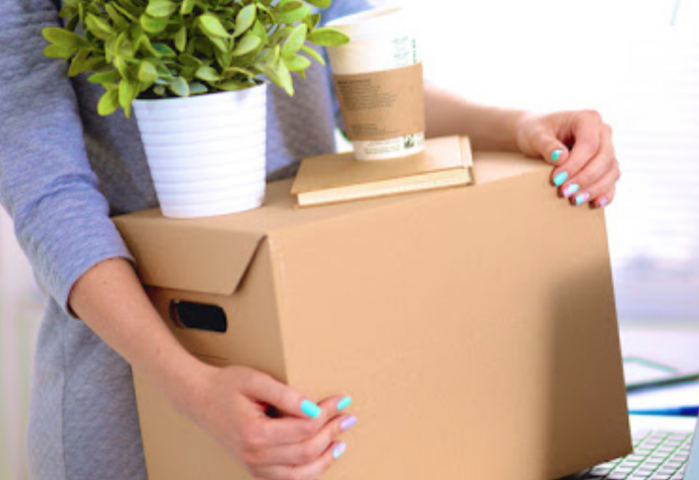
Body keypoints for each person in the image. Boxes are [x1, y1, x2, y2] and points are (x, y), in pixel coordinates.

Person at [0, 0, 622, 479]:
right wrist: (192, 387)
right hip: (135, 395)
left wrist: (518, 126)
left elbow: (367, 89)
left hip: (307, 352)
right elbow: (50, 199)